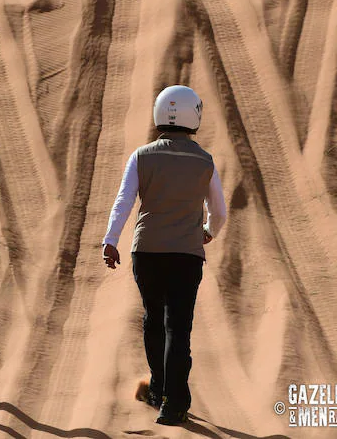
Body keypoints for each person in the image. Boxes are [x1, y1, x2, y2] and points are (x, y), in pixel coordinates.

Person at [102, 85, 226, 426]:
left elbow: (124, 200)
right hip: (186, 254)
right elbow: (219, 211)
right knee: (178, 328)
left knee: (153, 320)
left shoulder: (142, 156)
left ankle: (157, 388)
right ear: (195, 116)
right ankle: (173, 404)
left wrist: (110, 239)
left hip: (148, 252)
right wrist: (208, 232)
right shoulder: (205, 161)